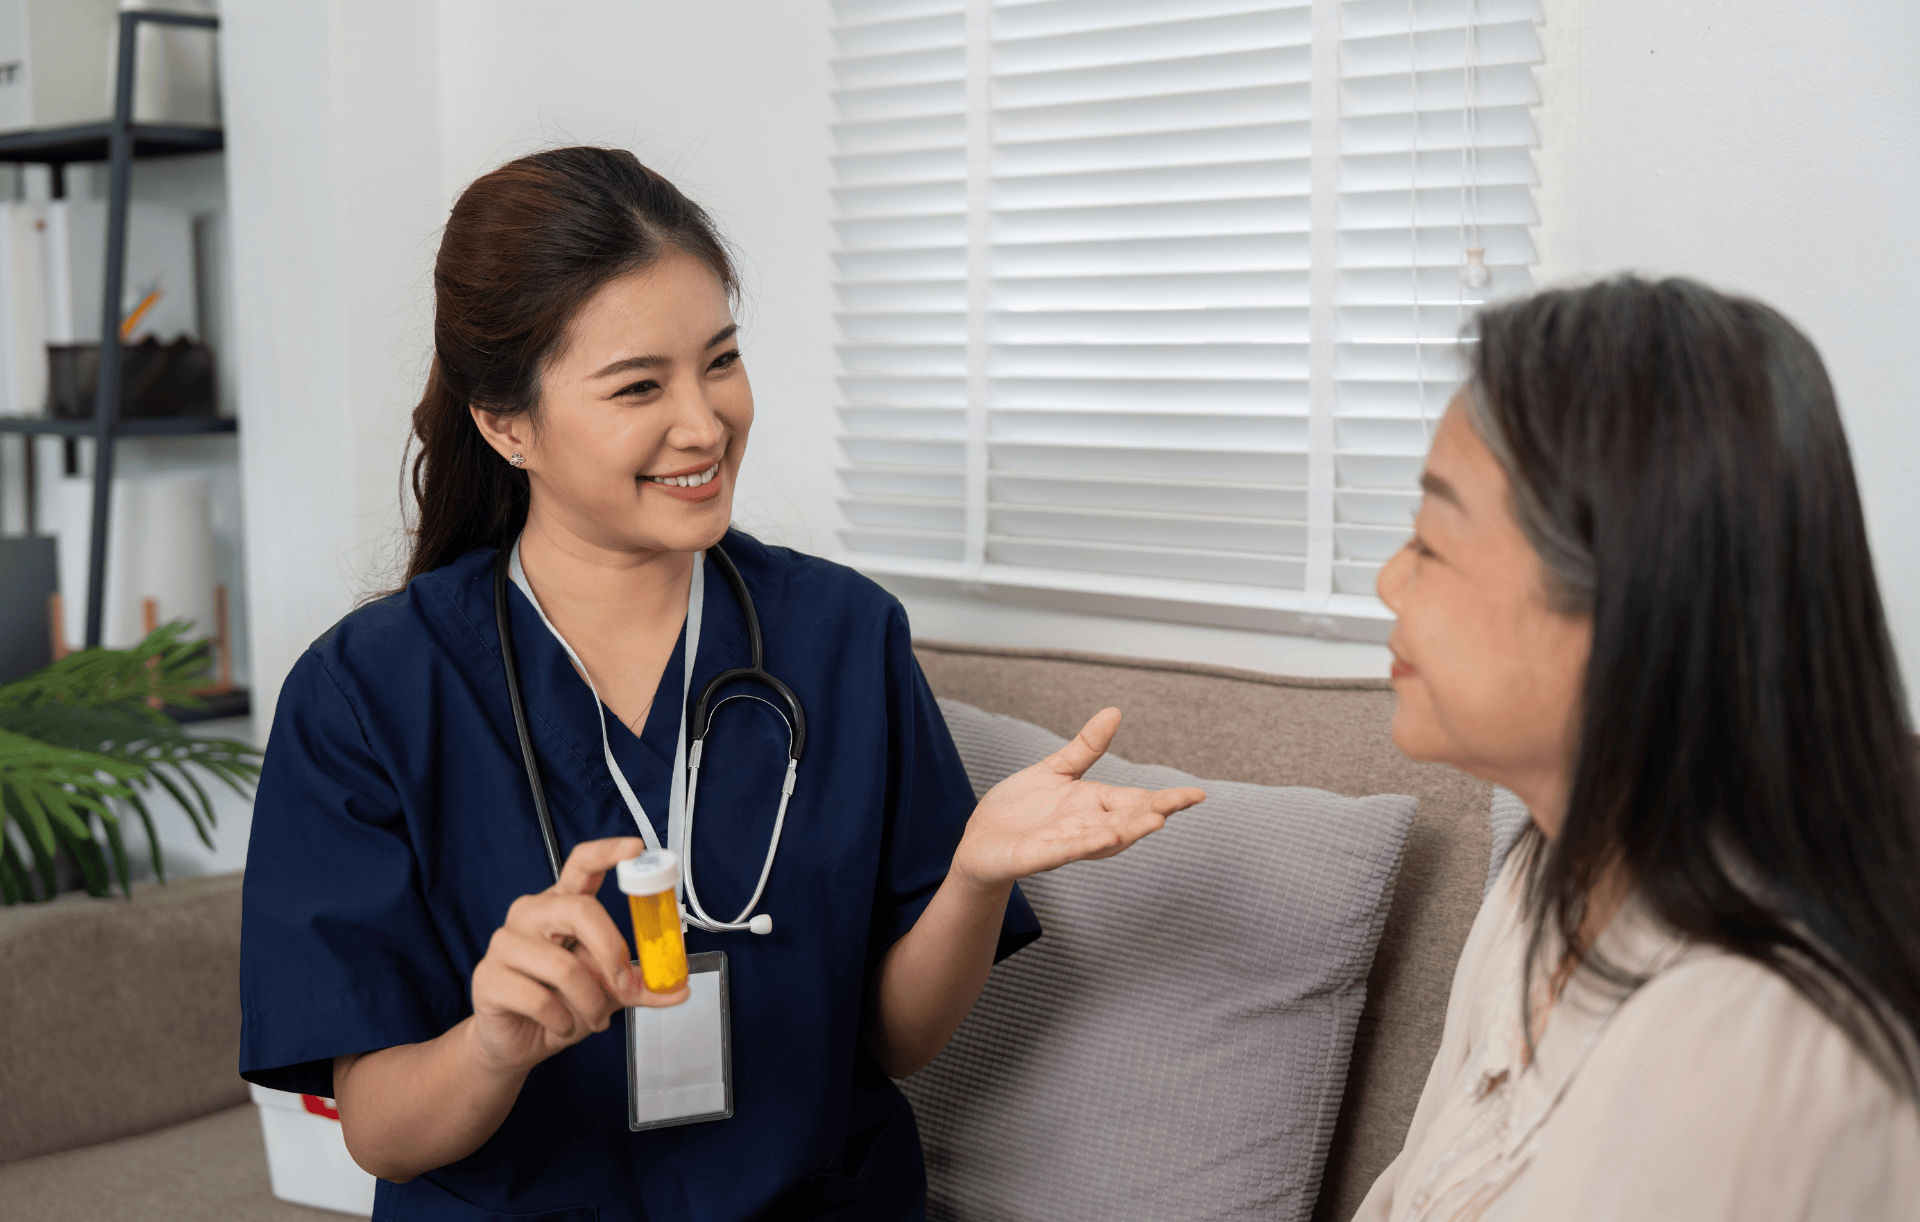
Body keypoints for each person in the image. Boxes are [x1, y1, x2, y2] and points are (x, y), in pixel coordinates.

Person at [237, 146, 1204, 1222]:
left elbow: (898, 1040)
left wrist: (973, 874)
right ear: (508, 422)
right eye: (639, 386)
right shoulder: (367, 695)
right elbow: (383, 1131)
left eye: (721, 360)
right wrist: (492, 1042)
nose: (704, 424)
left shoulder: (842, 634)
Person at [1360, 275, 1920, 1219]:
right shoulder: (1540, 879)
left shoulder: (1771, 1051)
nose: (1386, 582)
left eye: (1431, 541)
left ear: (1631, 604)